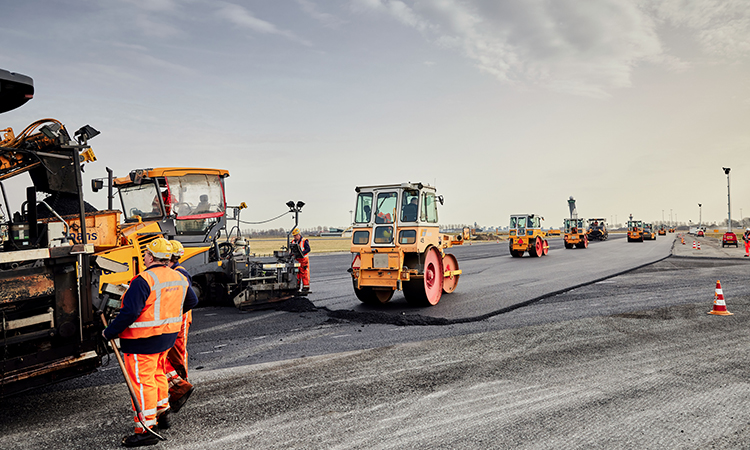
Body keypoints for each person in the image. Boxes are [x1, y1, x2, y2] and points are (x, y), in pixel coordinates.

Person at [103, 238, 198, 448]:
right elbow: (192, 301)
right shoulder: (178, 277)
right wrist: (169, 316)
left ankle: (146, 429)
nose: (144, 256)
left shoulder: (143, 280)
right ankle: (162, 414)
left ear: (151, 257)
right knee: (157, 375)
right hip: (166, 337)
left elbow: (130, 312)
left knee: (141, 382)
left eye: (145, 253)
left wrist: (109, 332)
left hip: (141, 341)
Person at [164, 240, 195, 414]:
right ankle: (180, 385)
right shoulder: (174, 271)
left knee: (178, 353)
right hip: (177, 318)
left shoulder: (179, 273)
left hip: (180, 319)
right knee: (174, 353)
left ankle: (183, 384)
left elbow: (187, 299)